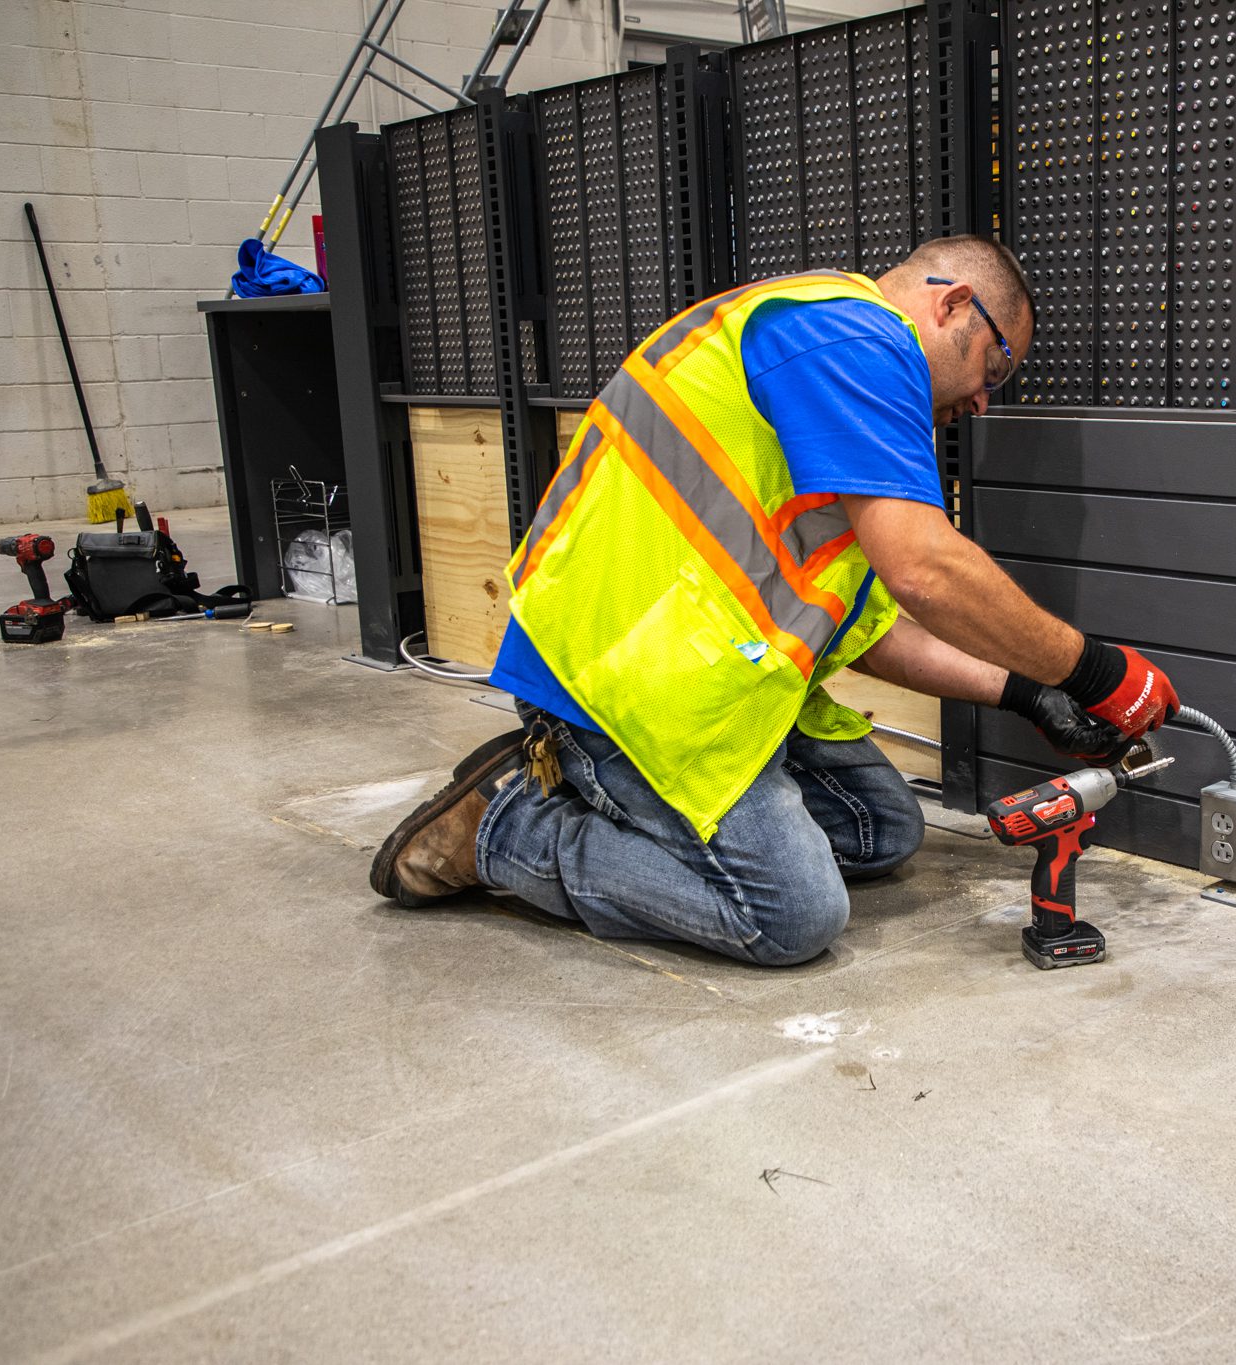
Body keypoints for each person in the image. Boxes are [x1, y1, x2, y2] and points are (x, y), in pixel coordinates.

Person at [370, 236, 1179, 965]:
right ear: (951, 303)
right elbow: (924, 571)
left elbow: (869, 631)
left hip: (703, 682)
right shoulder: (852, 339)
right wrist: (1093, 671)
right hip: (614, 683)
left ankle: (623, 810)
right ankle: (507, 828)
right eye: (992, 368)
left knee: (884, 830)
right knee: (791, 915)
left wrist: (1026, 692)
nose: (982, 401)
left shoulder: (838, 375)